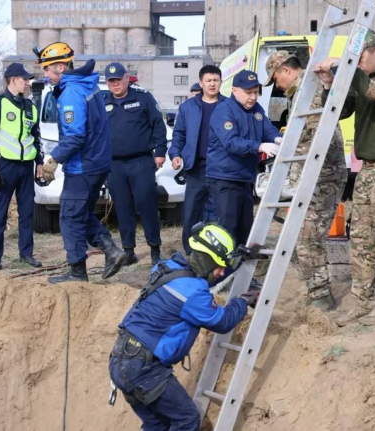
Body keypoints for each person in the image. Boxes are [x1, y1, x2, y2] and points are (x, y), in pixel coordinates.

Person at [108, 223, 260, 431]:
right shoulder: (193, 294)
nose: (221, 272)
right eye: (219, 266)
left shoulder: (167, 267)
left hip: (121, 359)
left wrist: (238, 260)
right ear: (207, 261)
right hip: (144, 369)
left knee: (156, 424)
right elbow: (223, 321)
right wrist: (243, 301)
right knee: (187, 419)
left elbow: (201, 279)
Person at [314, 30, 375, 326]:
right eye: (353, 59)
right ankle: (361, 299)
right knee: (361, 238)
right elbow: (338, 110)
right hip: (367, 170)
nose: (356, 63)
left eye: (360, 57)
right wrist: (329, 84)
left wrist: (343, 67)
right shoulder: (362, 80)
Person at [33, 42, 127, 283]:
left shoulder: (72, 93)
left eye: (47, 69)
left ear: (61, 67)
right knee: (82, 213)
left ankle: (77, 272)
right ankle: (111, 250)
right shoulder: (86, 85)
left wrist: (54, 159)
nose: (45, 74)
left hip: (83, 166)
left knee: (70, 217)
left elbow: (75, 135)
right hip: (97, 163)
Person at [264, 50, 347, 311]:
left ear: (286, 70)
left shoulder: (308, 92)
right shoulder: (301, 92)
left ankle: (321, 298)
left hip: (322, 176)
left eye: (276, 79)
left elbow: (322, 136)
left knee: (308, 239)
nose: (277, 85)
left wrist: (298, 158)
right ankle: (318, 293)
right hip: (314, 176)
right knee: (306, 238)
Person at [207, 69, 282, 248]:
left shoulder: (256, 109)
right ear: (235, 91)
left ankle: (241, 264)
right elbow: (231, 142)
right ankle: (225, 265)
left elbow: (267, 128)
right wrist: (260, 146)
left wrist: (277, 138)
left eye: (256, 92)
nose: (253, 97)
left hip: (245, 177)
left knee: (245, 228)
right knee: (228, 228)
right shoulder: (224, 111)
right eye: (248, 92)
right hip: (225, 177)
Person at [0, 63, 44, 270]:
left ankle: (26, 253)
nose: (27, 83)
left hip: (27, 167)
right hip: (6, 165)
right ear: (13, 80)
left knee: (27, 212)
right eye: (24, 79)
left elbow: (36, 136)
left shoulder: (30, 106)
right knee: (0, 212)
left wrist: (40, 161)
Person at [104, 62, 167, 265]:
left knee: (146, 205)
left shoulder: (143, 97)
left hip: (141, 161)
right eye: (111, 81)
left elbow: (158, 125)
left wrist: (160, 151)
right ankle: (128, 250)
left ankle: (155, 248)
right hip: (115, 165)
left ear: (126, 78)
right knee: (123, 207)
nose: (115, 84)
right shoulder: (102, 102)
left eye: (118, 80)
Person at [169, 65, 228, 254]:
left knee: (220, 211)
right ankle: (191, 252)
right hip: (196, 167)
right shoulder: (188, 107)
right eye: (208, 80)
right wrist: (175, 154)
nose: (212, 84)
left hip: (220, 168)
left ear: (221, 82)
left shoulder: (228, 106)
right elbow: (179, 134)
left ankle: (218, 251)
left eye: (216, 80)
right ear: (201, 83)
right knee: (192, 211)